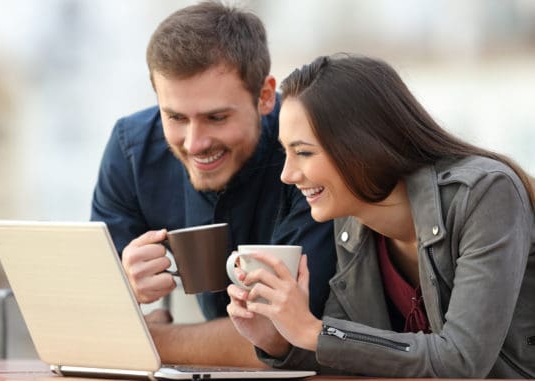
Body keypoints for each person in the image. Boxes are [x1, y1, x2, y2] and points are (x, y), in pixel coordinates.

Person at [226, 54, 535, 378]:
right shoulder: (352, 223)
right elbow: (353, 353)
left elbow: (460, 360)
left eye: (303, 152)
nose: (287, 175)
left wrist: (312, 330)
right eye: (285, 153)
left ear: (362, 146)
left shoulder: (485, 193)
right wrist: (278, 340)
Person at [90, 2, 336, 367]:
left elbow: (281, 338)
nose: (194, 143)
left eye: (216, 117)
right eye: (174, 117)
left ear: (265, 96)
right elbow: (89, 322)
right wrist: (124, 288)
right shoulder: (132, 149)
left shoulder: (311, 153)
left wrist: (147, 340)